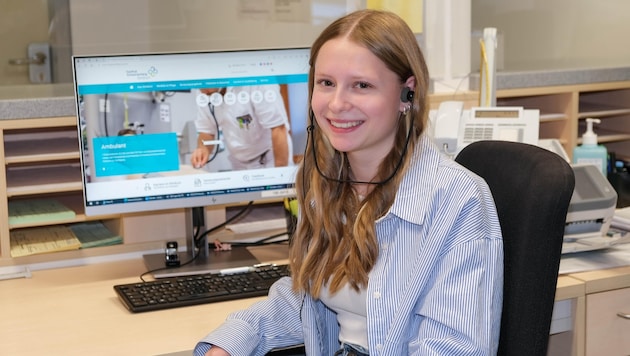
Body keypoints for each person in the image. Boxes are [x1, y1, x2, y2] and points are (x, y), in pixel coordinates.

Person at [194, 9, 503, 356]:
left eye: (362, 85)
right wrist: (231, 342)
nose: (337, 104)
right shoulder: (328, 183)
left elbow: (454, 349)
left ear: (407, 94)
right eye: (326, 83)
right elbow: (309, 294)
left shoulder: (457, 200)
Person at [191, 85, 292, 170]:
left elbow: (278, 128)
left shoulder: (256, 84)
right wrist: (203, 148)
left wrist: (280, 173)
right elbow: (207, 130)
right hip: (238, 162)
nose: (202, 91)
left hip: (270, 158)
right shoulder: (203, 91)